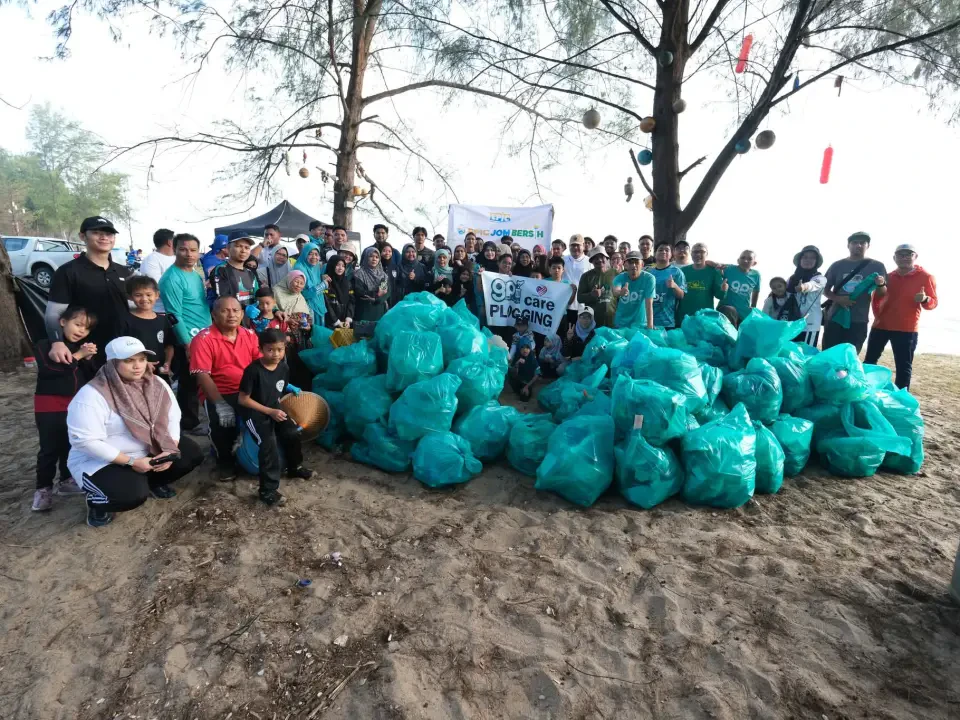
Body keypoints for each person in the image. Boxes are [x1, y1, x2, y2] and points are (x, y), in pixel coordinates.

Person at [68, 336, 204, 527]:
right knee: (130, 496)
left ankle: (153, 483)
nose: (137, 366)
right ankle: (98, 502)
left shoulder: (156, 383)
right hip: (103, 460)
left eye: (141, 359)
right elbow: (85, 441)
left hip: (146, 450)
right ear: (112, 363)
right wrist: (131, 461)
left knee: (190, 454)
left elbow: (173, 416)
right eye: (128, 360)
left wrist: (169, 448)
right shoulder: (92, 394)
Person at [31, 306, 98, 511]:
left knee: (71, 443)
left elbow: (90, 376)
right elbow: (50, 371)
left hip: (75, 404)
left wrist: (88, 359)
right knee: (49, 448)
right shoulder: (45, 344)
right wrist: (78, 355)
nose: (81, 331)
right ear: (62, 322)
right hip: (49, 404)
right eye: (77, 324)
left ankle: (67, 480)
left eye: (86, 328)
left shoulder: (80, 348)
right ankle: (43, 489)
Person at [237, 329, 314, 506]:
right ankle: (267, 490)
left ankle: (294, 467)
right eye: (270, 350)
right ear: (260, 349)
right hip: (254, 413)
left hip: (274, 409)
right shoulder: (253, 371)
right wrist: (269, 411)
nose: (276, 354)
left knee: (293, 432)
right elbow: (243, 399)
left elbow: (281, 385)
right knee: (268, 445)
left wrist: (291, 388)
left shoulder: (283, 367)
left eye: (280, 349)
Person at [45, 216, 133, 366]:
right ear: (82, 236)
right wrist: (57, 342)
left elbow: (135, 308)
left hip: (122, 349)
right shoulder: (68, 271)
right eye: (97, 233)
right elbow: (54, 313)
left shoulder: (125, 272)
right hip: (86, 351)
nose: (104, 237)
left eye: (109, 234)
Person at [191, 297, 262, 480]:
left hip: (246, 390)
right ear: (214, 315)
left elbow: (260, 365)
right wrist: (220, 404)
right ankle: (224, 462)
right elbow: (202, 375)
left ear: (242, 314)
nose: (231, 315)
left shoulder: (250, 335)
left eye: (236, 310)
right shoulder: (203, 339)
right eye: (225, 311)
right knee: (222, 424)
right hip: (219, 391)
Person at [864, 244, 938, 389]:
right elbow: (876, 299)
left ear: (915, 257)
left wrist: (924, 299)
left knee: (903, 367)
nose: (904, 258)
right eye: (900, 255)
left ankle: (901, 398)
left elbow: (933, 303)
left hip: (907, 328)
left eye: (908, 254)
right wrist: (878, 317)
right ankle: (865, 392)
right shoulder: (888, 277)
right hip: (880, 326)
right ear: (894, 258)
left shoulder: (926, 277)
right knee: (869, 362)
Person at [158, 234, 210, 432]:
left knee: (201, 379)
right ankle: (189, 423)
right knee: (189, 383)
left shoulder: (195, 274)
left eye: (193, 250)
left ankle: (199, 416)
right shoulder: (171, 278)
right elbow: (173, 315)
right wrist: (187, 343)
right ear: (174, 250)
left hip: (204, 335)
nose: (189, 254)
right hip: (188, 338)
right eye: (183, 249)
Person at [822, 232, 888, 352]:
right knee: (829, 354)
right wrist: (838, 299)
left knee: (850, 356)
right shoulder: (837, 265)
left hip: (858, 319)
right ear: (848, 245)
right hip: (835, 317)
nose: (858, 245)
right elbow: (824, 289)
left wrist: (881, 284)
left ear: (868, 246)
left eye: (862, 243)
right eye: (854, 242)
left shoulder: (877, 266)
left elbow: (882, 293)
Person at [119, 276, 175, 380]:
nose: (144, 299)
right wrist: (142, 363)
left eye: (149, 294)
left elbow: (169, 346)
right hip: (135, 375)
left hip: (159, 374)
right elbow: (121, 349)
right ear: (130, 297)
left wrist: (167, 363)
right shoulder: (124, 320)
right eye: (138, 295)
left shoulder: (163, 320)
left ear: (157, 295)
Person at [786, 245, 828, 347]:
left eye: (812, 258)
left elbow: (812, 285)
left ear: (816, 262)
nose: (808, 260)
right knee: (789, 352)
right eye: (805, 257)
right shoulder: (791, 279)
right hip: (791, 324)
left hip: (809, 325)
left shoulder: (820, 278)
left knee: (806, 354)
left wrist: (803, 287)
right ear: (800, 260)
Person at [677, 242, 727, 325]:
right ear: (691, 254)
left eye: (702, 252)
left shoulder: (714, 272)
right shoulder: (682, 271)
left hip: (705, 318)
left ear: (707, 254)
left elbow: (720, 296)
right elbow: (677, 295)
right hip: (684, 318)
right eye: (695, 252)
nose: (698, 254)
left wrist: (723, 289)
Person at [211, 235, 259, 307]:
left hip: (251, 314)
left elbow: (258, 295)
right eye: (238, 246)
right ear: (228, 248)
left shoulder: (250, 273)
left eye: (247, 248)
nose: (243, 251)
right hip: (231, 313)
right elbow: (223, 299)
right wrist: (245, 309)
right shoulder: (221, 270)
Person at [612, 251, 655, 330]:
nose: (633, 265)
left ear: (642, 264)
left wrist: (650, 326)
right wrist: (620, 292)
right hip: (621, 324)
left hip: (640, 324)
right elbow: (615, 291)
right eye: (630, 262)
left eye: (636, 262)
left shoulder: (649, 278)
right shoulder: (619, 277)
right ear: (625, 265)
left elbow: (649, 303)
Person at [648, 242, 687, 329]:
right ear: (655, 253)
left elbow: (681, 295)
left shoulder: (677, 272)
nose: (663, 252)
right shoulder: (649, 273)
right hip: (648, 321)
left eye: (667, 250)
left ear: (671, 254)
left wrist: (674, 286)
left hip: (667, 322)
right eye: (660, 250)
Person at [139, 229, 177, 312]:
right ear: (170, 242)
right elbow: (157, 287)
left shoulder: (178, 258)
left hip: (181, 309)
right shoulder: (151, 260)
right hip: (161, 311)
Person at [576, 248, 615, 327]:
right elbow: (579, 298)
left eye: (602, 257)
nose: (599, 260)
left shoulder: (616, 273)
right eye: (596, 258)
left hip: (614, 320)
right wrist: (591, 295)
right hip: (593, 321)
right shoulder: (586, 276)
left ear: (607, 258)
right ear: (591, 261)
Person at [720, 250, 761, 324]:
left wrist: (753, 306)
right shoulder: (729, 268)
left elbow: (756, 290)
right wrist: (717, 265)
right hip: (726, 310)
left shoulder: (756, 275)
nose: (745, 261)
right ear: (738, 260)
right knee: (729, 310)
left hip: (744, 312)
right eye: (743, 258)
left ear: (754, 263)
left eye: (749, 259)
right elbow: (712, 264)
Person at [292, 242, 330, 324]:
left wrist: (322, 277)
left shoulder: (316, 267)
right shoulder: (299, 268)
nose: (314, 257)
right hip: (306, 309)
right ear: (304, 254)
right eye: (310, 254)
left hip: (317, 304)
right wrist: (323, 285)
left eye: (316, 254)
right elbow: (303, 293)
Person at [353, 247, 390, 322]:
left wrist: (377, 299)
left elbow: (387, 292)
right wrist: (377, 294)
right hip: (364, 311)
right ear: (366, 258)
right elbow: (359, 292)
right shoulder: (359, 274)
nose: (374, 259)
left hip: (380, 310)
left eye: (377, 257)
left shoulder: (383, 275)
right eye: (371, 256)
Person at [564, 235, 591, 326]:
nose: (575, 248)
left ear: (583, 246)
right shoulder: (563, 260)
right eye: (573, 245)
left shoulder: (590, 262)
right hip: (564, 305)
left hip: (582, 306)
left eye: (578, 245)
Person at [324, 257, 355, 328]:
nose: (340, 268)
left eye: (343, 266)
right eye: (338, 265)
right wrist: (336, 321)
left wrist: (348, 318)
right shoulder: (326, 283)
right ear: (332, 265)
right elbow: (327, 304)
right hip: (330, 323)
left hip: (345, 322)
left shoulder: (347, 283)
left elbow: (352, 301)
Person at [508, 336, 540, 401]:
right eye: (522, 347)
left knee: (525, 397)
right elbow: (513, 372)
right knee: (510, 373)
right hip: (519, 380)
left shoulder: (532, 359)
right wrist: (517, 363)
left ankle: (523, 390)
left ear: (530, 348)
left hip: (529, 382)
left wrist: (527, 386)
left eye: (527, 347)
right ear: (519, 348)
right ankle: (519, 390)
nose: (525, 350)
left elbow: (537, 375)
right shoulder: (517, 357)